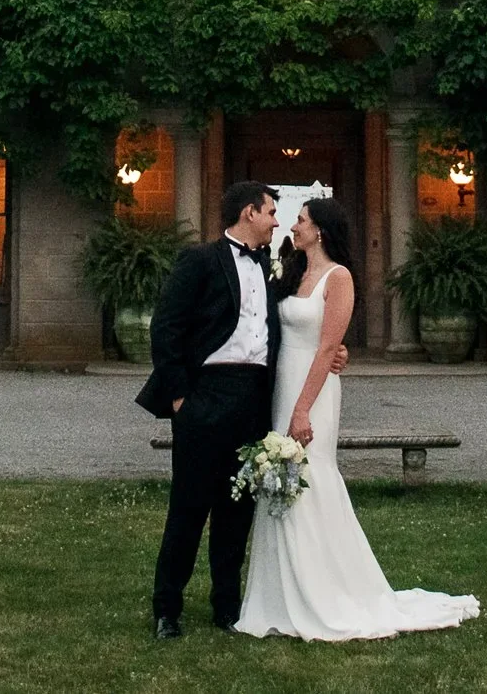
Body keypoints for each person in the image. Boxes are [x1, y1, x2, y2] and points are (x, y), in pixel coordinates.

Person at [234, 197, 480, 640]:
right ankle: (278, 596)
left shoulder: (339, 277)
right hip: (282, 384)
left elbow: (328, 347)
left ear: (321, 230)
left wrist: (303, 408)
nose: (294, 226)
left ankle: (325, 591)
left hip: (314, 390)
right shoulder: (291, 272)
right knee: (281, 475)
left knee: (311, 476)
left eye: (302, 220)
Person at [137, 181, 348, 639]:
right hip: (205, 395)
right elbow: (166, 329)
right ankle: (166, 609)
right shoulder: (200, 261)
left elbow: (301, 329)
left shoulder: (276, 273)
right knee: (189, 508)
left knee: (237, 512)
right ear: (250, 213)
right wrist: (179, 399)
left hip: (255, 399)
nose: (278, 220)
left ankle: (227, 608)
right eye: (272, 212)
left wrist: (337, 353)